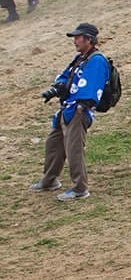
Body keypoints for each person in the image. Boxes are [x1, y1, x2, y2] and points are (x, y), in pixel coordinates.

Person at [32, 22, 110, 201]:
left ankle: (80, 189)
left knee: (74, 150)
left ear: (88, 39)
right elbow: (64, 77)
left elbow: (90, 90)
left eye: (78, 37)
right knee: (53, 145)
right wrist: (56, 89)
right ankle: (49, 180)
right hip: (66, 109)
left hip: (78, 112)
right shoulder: (81, 58)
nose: (75, 41)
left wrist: (81, 106)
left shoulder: (97, 60)